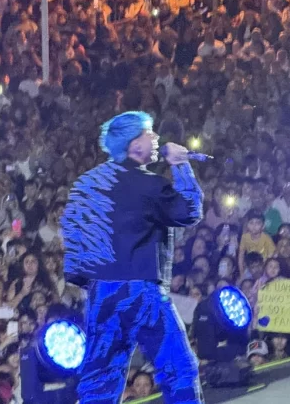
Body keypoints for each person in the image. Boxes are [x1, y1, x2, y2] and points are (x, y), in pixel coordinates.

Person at [62, 111, 204, 403]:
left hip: (100, 295)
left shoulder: (85, 185)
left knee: (99, 382)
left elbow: (74, 259)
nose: (156, 138)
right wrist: (180, 164)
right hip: (140, 291)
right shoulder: (149, 184)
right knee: (179, 369)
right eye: (149, 133)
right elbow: (189, 211)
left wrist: (97, 285)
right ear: (133, 144)